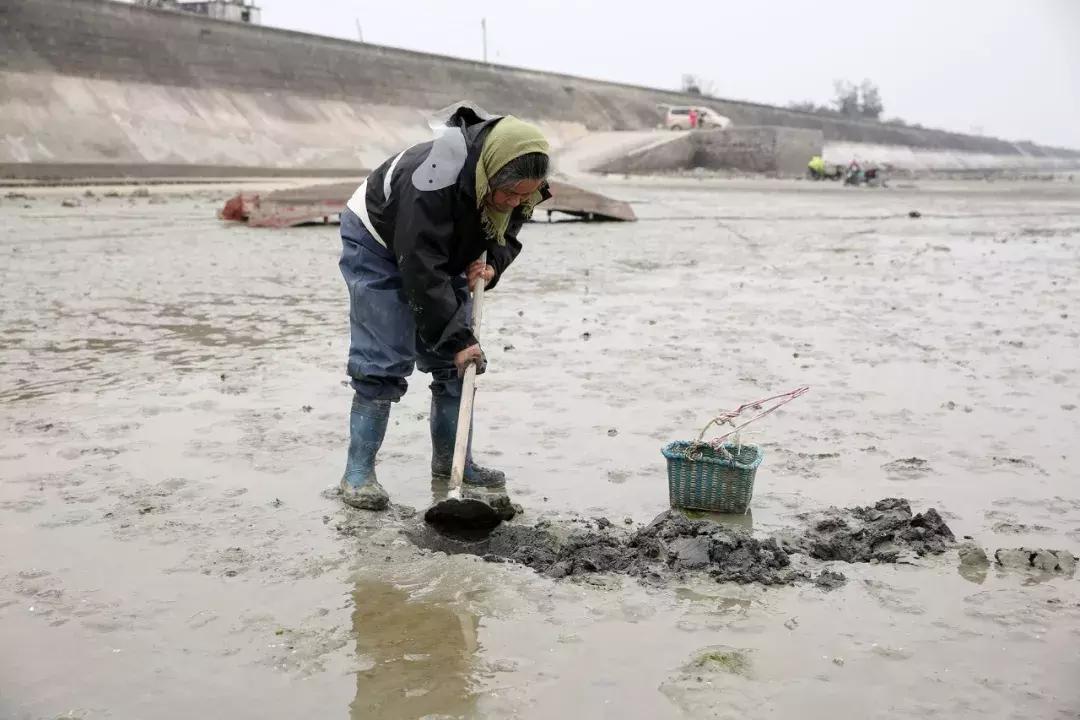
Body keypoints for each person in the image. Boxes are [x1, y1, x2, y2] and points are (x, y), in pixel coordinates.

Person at [337, 105, 551, 510]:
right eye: (510, 193)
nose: (516, 202)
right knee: (383, 358)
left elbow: (508, 228)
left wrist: (492, 264)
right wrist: (457, 338)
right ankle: (357, 475)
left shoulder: (519, 181)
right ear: (489, 173)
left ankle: (453, 465)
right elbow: (420, 269)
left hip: (442, 247)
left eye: (527, 195)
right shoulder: (431, 181)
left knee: (458, 365)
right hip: (379, 241)